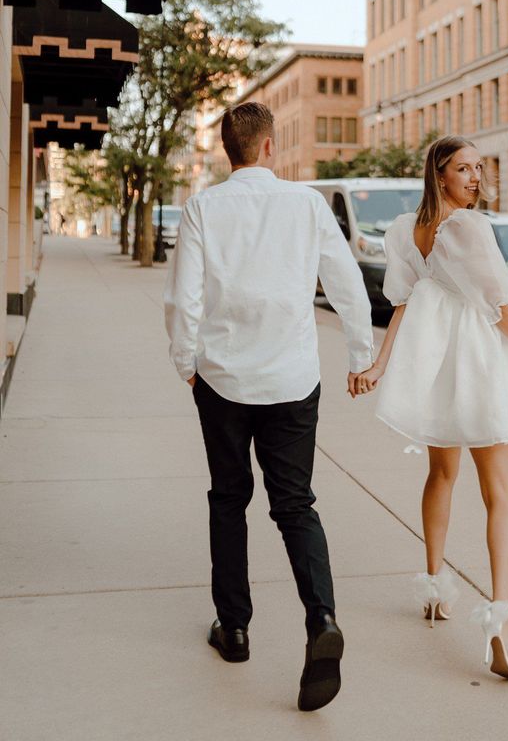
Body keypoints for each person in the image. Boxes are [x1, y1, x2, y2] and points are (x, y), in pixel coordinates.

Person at [164, 102, 374, 712]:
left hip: (223, 378)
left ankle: (234, 631)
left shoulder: (203, 206)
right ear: (269, 148)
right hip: (292, 376)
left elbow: (184, 298)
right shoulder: (306, 204)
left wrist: (187, 365)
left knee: (229, 499)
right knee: (295, 502)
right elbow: (346, 282)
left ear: (230, 149)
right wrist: (360, 355)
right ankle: (322, 619)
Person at [351, 136, 508, 681]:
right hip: (480, 361)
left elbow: (403, 303)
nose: (475, 178)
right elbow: (500, 309)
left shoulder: (404, 229)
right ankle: (500, 619)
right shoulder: (470, 226)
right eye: (463, 169)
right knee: (502, 494)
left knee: (441, 474)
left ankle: (435, 588)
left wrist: (380, 365)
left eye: (479, 168)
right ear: (438, 174)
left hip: (439, 365)